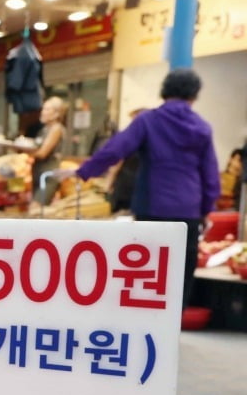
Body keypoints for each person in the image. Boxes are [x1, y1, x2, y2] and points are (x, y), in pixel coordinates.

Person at [59, 69, 220, 309]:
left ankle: (146, 322)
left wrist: (84, 171)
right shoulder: (202, 127)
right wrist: (206, 210)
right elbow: (210, 175)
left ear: (164, 92)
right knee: (182, 271)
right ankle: (174, 324)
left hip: (152, 206)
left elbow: (116, 149)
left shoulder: (148, 120)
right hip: (188, 208)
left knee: (149, 268)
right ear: (194, 96)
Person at [25, 96, 67, 205]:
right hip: (38, 172)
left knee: (36, 209)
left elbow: (42, 153)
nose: (43, 112)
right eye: (43, 109)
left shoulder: (56, 129)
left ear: (57, 114)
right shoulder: (44, 129)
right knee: (35, 211)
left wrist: (22, 150)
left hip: (48, 174)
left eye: (47, 110)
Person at [106, 109, 146, 213]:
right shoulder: (150, 142)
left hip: (125, 188)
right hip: (141, 188)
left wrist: (108, 185)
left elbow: (116, 165)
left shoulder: (129, 140)